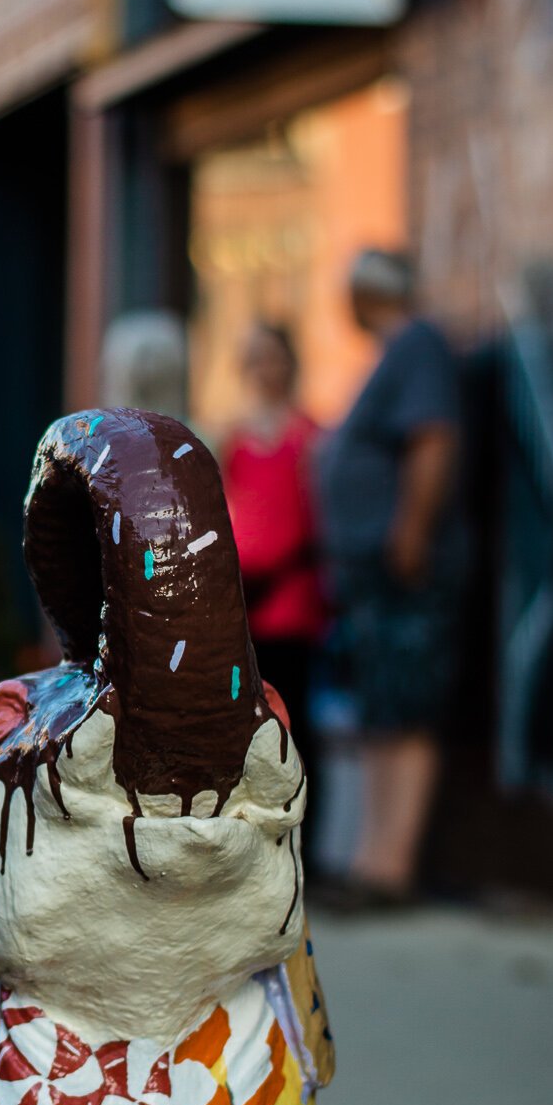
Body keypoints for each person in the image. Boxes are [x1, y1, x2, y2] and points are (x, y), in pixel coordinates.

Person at [317, 248, 466, 905]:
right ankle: (372, 860)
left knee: (406, 708)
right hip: (372, 571)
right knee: (382, 709)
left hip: (405, 566)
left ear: (369, 291)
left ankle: (392, 867)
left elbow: (433, 438)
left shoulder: (419, 345)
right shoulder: (395, 353)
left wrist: (411, 531)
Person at [220, 321, 326, 804]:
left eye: (274, 356)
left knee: (295, 714)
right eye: (256, 357)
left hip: (292, 599)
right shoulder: (234, 441)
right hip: (246, 601)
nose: (266, 369)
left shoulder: (309, 437)